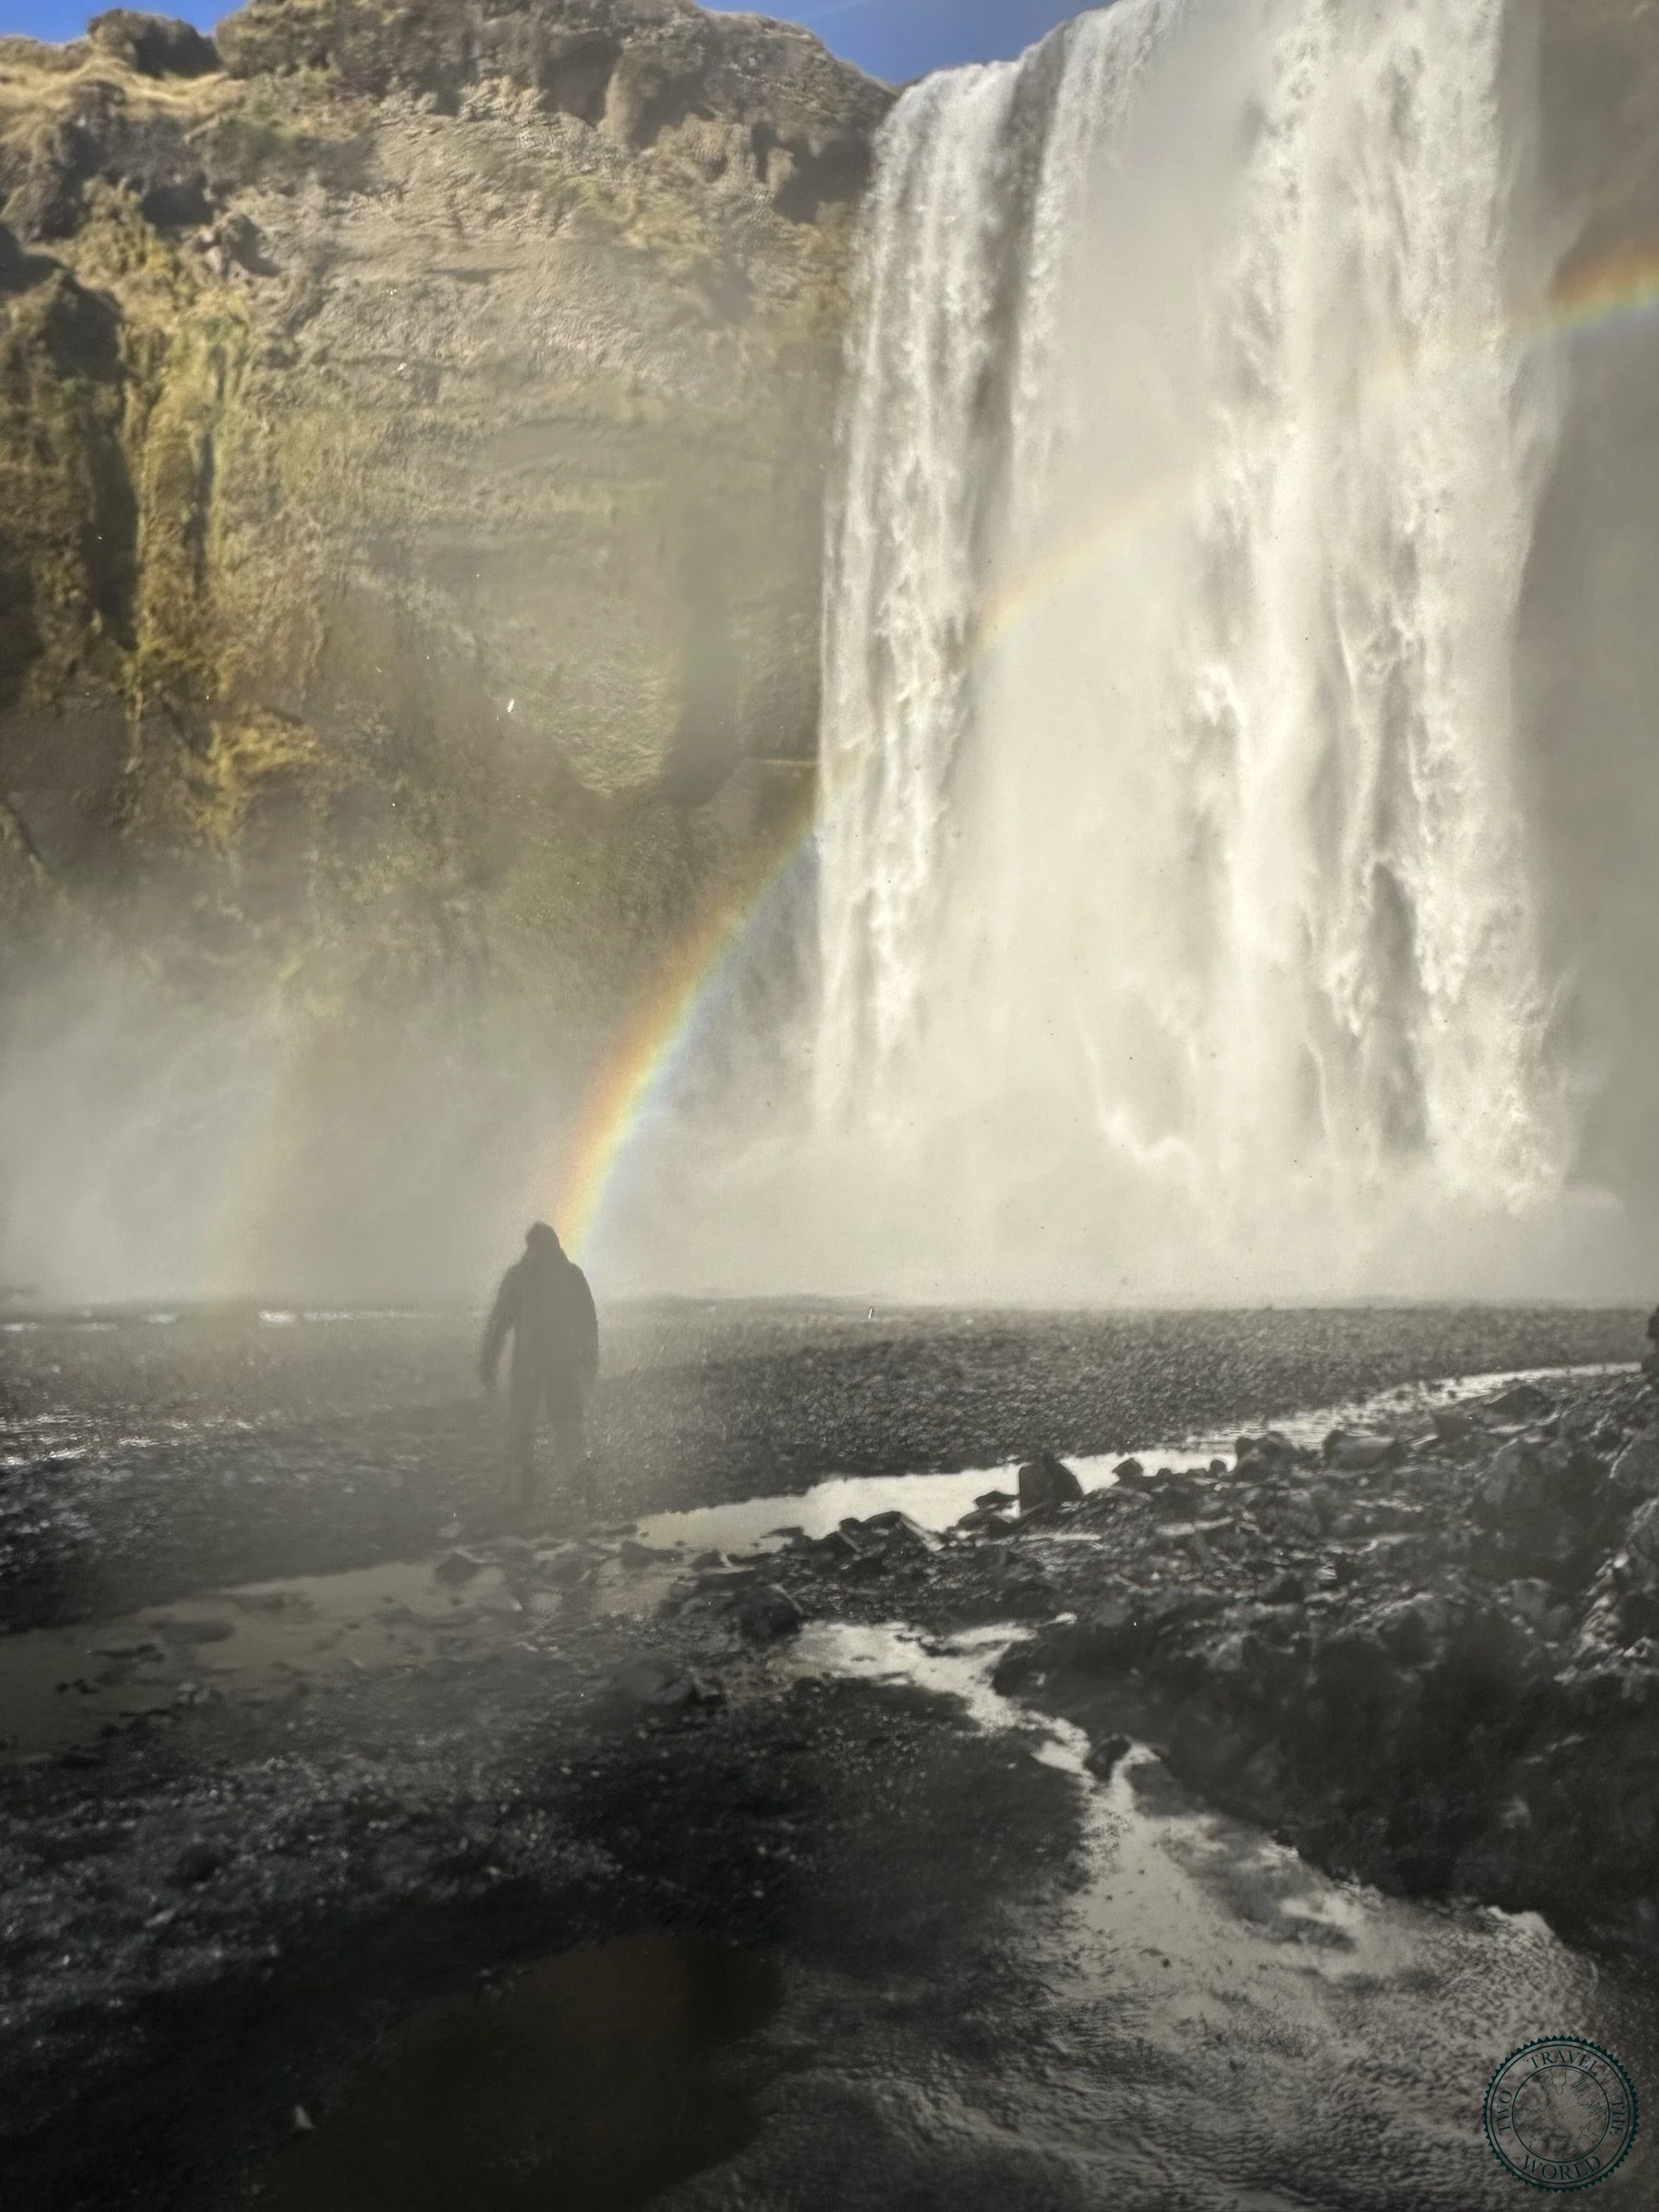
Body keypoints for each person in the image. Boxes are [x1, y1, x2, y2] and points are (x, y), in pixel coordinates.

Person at [480, 1222, 599, 1519]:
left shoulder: (556, 1276)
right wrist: (488, 1360)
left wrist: (489, 1360)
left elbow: (588, 1323)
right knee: (533, 1427)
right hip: (543, 1365)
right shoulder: (558, 1276)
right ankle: (534, 1490)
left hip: (547, 1365)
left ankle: (574, 1486)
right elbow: (500, 1322)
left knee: (560, 1424)